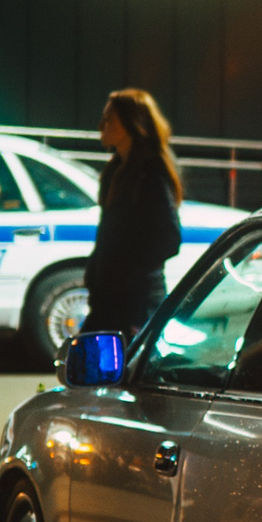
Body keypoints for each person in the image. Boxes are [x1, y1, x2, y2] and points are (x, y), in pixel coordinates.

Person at [84, 86, 183, 339]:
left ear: (131, 124)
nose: (101, 126)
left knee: (116, 363)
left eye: (109, 119)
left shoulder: (150, 174)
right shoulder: (116, 170)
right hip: (109, 302)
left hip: (135, 305)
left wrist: (126, 275)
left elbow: (169, 239)